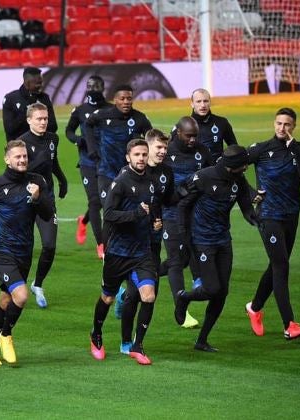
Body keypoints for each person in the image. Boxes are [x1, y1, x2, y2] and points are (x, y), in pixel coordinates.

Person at [0, 140, 54, 365]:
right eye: (17, 157)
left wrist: (38, 198)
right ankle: (5, 334)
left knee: (6, 299)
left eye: (24, 156)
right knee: (21, 296)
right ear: (7, 159)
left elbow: (48, 214)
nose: (22, 160)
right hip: (1, 250)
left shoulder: (36, 182)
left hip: (24, 251)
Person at [174, 145, 257, 351]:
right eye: (243, 165)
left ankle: (202, 341)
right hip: (202, 240)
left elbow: (247, 208)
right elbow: (182, 204)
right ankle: (183, 297)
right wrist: (183, 237)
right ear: (232, 167)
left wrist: (259, 220)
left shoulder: (238, 179)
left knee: (222, 292)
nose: (247, 167)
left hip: (223, 240)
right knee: (212, 288)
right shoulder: (204, 177)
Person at [89, 138, 162, 366]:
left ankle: (137, 345)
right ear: (128, 157)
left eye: (144, 154)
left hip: (141, 252)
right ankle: (96, 334)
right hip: (118, 252)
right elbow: (108, 214)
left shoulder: (151, 182)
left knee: (148, 295)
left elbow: (151, 209)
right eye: (137, 155)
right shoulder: (120, 183)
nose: (141, 158)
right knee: (108, 298)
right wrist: (136, 216)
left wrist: (154, 223)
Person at [244, 108, 300, 340]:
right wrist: (251, 192)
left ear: (294, 126)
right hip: (268, 216)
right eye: (279, 123)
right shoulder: (262, 150)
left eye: (287, 124)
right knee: (281, 266)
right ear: (274, 124)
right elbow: (230, 165)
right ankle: (289, 324)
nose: (282, 128)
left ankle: (254, 307)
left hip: (291, 217)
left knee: (276, 265)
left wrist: (295, 149)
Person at [119, 129, 174, 354]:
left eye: (165, 148)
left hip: (152, 241)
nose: (162, 152)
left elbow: (167, 200)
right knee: (134, 294)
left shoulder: (166, 173)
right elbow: (118, 208)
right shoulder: (129, 174)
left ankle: (138, 343)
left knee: (151, 295)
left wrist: (192, 190)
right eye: (158, 148)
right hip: (130, 244)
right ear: (147, 148)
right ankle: (124, 340)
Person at [84, 84, 152, 249]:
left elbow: (151, 136)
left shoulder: (139, 118)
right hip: (106, 173)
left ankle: (131, 246)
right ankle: (105, 248)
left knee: (129, 211)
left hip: (129, 176)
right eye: (122, 98)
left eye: (129, 98)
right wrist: (92, 147)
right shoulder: (102, 115)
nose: (126, 102)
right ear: (115, 100)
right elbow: (87, 124)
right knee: (109, 211)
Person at [159, 116, 212, 328]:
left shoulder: (202, 151)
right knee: (175, 260)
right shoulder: (167, 152)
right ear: (178, 133)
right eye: (188, 136)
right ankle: (182, 311)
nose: (192, 140)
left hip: (195, 213)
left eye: (195, 136)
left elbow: (214, 173)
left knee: (182, 259)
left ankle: (136, 277)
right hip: (170, 212)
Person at [19, 102, 67, 308]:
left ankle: (37, 284)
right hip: (25, 199)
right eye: (39, 119)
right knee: (23, 246)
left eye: (45, 118)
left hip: (46, 199)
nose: (43, 122)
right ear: (29, 120)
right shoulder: (20, 143)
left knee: (49, 245)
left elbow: (53, 163)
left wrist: (62, 180)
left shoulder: (52, 139)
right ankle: (15, 285)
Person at [65, 75, 110, 258]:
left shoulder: (110, 109)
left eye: (97, 86)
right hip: (87, 162)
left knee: (102, 201)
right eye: (90, 86)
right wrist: (78, 141)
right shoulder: (80, 110)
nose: (93, 89)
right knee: (94, 200)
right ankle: (101, 245)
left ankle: (83, 221)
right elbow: (69, 131)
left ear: (103, 88)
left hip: (107, 162)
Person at [2, 66, 58, 141]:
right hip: (18, 148)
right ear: (27, 82)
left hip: (40, 147)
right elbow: (9, 129)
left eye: (41, 83)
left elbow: (53, 127)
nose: (40, 86)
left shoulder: (44, 98)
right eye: (37, 84)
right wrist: (28, 110)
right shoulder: (10, 99)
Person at [190, 88, 238, 162]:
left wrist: (226, 159)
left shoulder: (222, 122)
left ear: (210, 102)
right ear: (192, 104)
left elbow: (234, 147)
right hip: (194, 171)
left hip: (217, 170)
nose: (203, 105)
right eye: (198, 101)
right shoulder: (183, 126)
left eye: (205, 101)